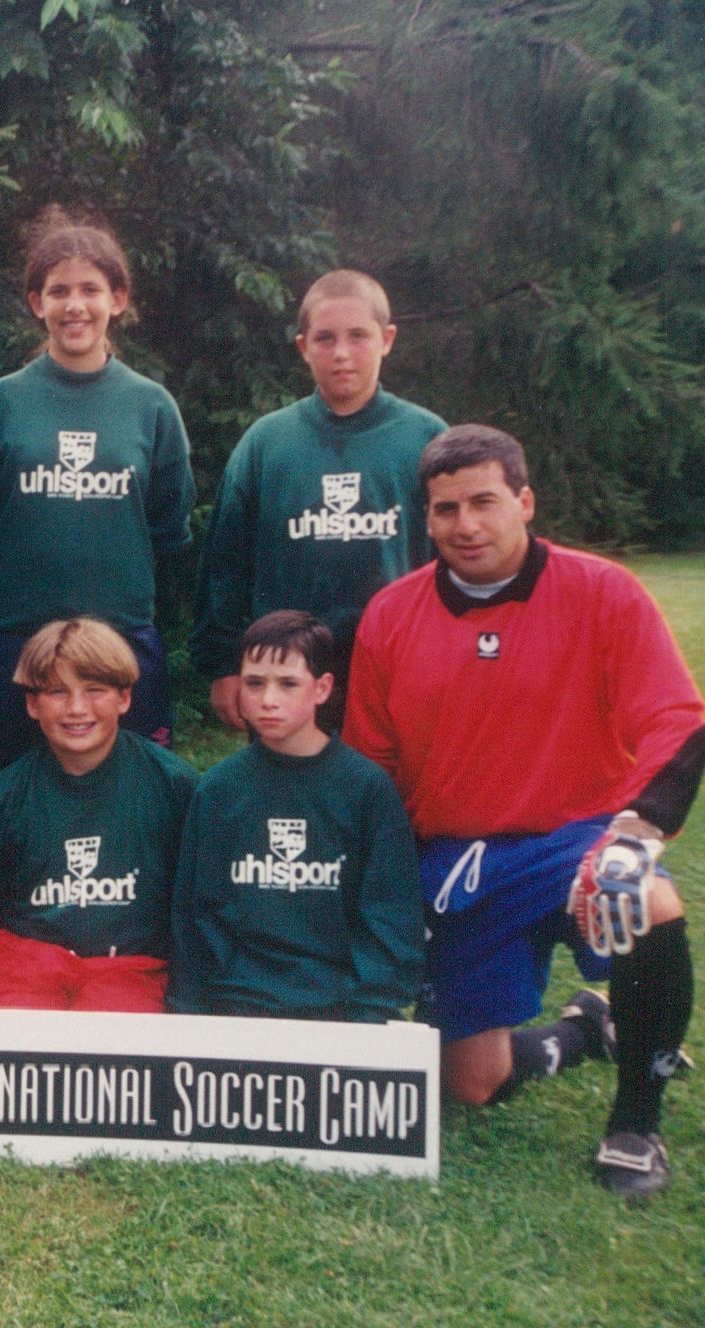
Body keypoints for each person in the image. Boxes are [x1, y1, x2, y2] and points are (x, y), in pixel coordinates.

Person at [346, 424, 703, 1197]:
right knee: (469, 1084)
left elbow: (676, 720)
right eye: (446, 509)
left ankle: (636, 1122)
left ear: (525, 502)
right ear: (427, 517)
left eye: (484, 502)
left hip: (576, 843)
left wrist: (637, 832)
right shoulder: (391, 614)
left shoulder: (604, 592)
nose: (465, 525)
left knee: (645, 899)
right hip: (459, 861)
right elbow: (371, 768)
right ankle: (585, 1030)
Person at [0, 216, 194, 774]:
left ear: (117, 299)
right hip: (12, 639)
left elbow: (168, 529)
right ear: (37, 302)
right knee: (12, 793)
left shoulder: (151, 407)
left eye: (90, 290)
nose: (75, 306)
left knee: (130, 792)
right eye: (59, 291)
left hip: (119, 637)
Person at [191, 270, 445, 730]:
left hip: (399, 669)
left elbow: (454, 558)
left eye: (358, 336)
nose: (342, 353)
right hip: (289, 674)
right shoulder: (267, 442)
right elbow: (225, 563)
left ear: (387, 339)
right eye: (325, 338)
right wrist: (223, 664)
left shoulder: (425, 438)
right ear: (303, 346)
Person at [169, 611, 422, 1023]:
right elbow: (194, 916)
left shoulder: (365, 788)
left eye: (288, 684)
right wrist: (193, 1010)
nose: (268, 699)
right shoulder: (220, 788)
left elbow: (390, 915)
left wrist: (370, 1010)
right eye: (255, 683)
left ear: (322, 688)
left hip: (340, 1009)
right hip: (239, 1006)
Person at [0, 618, 197, 1010]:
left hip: (133, 969)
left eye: (95, 690)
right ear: (32, 704)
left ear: (124, 697)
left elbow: (194, 908)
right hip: (29, 969)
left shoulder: (173, 787)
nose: (77, 709)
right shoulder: (2, 801)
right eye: (57, 692)